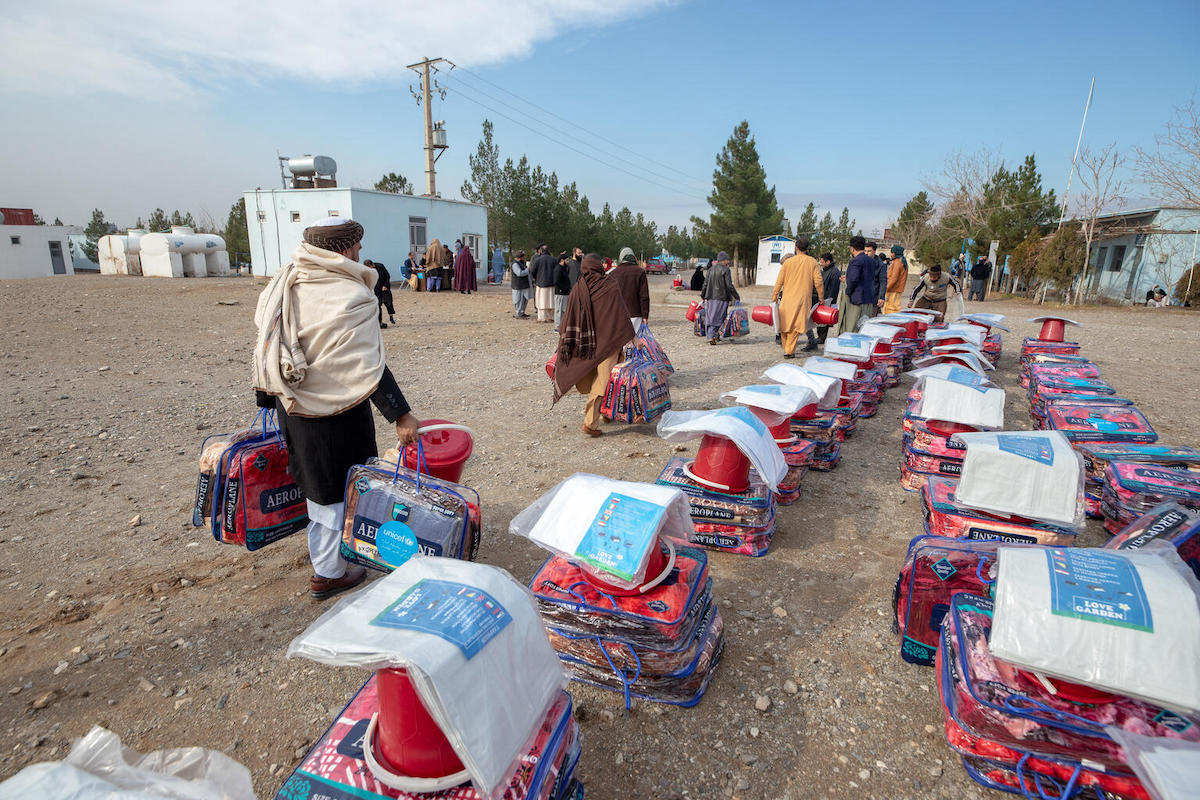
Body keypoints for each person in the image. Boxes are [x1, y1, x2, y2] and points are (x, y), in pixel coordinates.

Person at [252, 217, 420, 600]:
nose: (360, 253)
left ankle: (335, 561)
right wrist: (401, 415)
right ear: (343, 249)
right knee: (336, 494)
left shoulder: (285, 282)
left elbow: (268, 344)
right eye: (356, 247)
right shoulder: (349, 294)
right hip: (337, 415)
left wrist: (266, 397)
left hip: (293, 405)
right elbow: (366, 365)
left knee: (319, 488)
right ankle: (329, 573)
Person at [553, 253, 636, 437]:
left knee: (602, 381)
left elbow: (567, 318)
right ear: (599, 266)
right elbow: (621, 313)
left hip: (586, 344)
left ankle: (604, 412)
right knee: (603, 381)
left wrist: (565, 339)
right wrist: (633, 337)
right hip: (608, 343)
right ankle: (590, 422)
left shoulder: (578, 288)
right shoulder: (609, 285)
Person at [772, 237, 824, 357]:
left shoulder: (788, 263)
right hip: (803, 298)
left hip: (787, 298)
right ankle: (789, 350)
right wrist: (821, 297)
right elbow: (819, 282)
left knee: (785, 323)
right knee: (797, 324)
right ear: (807, 248)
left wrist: (774, 296)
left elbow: (779, 282)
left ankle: (788, 349)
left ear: (796, 248)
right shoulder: (812, 262)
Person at [836, 235, 877, 335]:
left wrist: (847, 291)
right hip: (868, 298)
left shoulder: (856, 261)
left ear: (852, 248)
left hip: (856, 300)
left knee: (852, 327)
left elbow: (853, 280)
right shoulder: (871, 260)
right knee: (863, 326)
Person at [701, 251, 740, 345]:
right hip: (722, 297)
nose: (728, 261)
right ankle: (712, 336)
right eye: (727, 259)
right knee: (720, 317)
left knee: (711, 316)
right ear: (723, 260)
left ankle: (714, 336)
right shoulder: (726, 270)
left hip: (710, 297)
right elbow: (729, 285)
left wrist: (703, 294)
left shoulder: (710, 270)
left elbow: (705, 284)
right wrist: (736, 295)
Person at [609, 246, 650, 331]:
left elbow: (610, 297)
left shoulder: (613, 273)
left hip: (618, 314)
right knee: (635, 342)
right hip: (635, 314)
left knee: (621, 343)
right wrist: (645, 316)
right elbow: (644, 296)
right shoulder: (640, 272)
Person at [817, 253, 840, 344]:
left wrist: (828, 301)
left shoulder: (834, 272)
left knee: (824, 319)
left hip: (828, 299)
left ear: (828, 262)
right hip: (823, 298)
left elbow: (833, 289)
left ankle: (822, 338)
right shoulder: (825, 270)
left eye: (822, 262)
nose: (820, 263)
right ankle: (820, 337)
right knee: (820, 319)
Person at [530, 244, 557, 323]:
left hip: (541, 283)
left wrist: (536, 278)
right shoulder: (554, 260)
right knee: (551, 301)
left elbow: (532, 271)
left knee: (541, 301)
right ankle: (551, 317)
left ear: (541, 251)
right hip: (552, 283)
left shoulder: (537, 260)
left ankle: (542, 318)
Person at [366, 259, 396, 327]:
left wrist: (385, 285)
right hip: (376, 289)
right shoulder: (367, 270)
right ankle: (379, 322)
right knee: (378, 305)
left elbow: (387, 276)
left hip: (384, 287)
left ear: (372, 264)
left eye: (370, 267)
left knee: (388, 303)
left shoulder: (380, 266)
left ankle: (391, 316)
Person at [865, 241, 887, 316]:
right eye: (865, 251)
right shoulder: (862, 262)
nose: (866, 253)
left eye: (869, 251)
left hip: (873, 299)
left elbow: (883, 282)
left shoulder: (881, 265)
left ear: (874, 251)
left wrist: (881, 297)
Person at [884, 245, 908, 314]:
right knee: (894, 307)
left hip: (893, 289)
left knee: (891, 309)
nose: (890, 255)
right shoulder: (902, 261)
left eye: (892, 253)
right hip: (897, 289)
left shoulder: (897, 262)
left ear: (895, 253)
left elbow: (893, 279)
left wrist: (886, 289)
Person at [510, 249, 532, 318]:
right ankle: (518, 313)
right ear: (521, 257)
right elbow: (519, 273)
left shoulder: (522, 263)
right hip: (518, 285)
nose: (525, 257)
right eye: (524, 256)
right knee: (518, 300)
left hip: (523, 285)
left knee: (524, 299)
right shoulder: (515, 264)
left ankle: (522, 312)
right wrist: (527, 270)